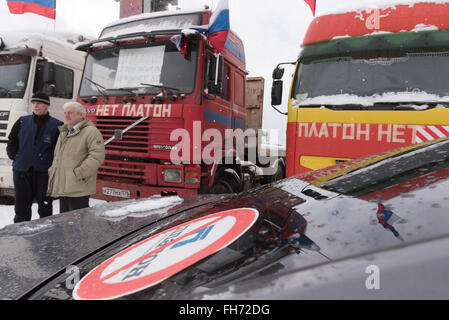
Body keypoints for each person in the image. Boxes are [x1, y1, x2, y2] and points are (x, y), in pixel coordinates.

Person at [6, 92, 63, 223]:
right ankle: (21, 234)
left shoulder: (57, 125)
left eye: (39, 103)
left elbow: (60, 150)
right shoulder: (22, 121)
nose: (35, 106)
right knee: (21, 207)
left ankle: (45, 235)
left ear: (47, 105)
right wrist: (15, 156)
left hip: (44, 173)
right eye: (34, 103)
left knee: (45, 207)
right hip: (21, 171)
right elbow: (12, 141)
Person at [47, 101, 105, 213]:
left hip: (78, 187)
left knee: (79, 224)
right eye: (65, 113)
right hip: (64, 187)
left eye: (70, 112)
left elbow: (97, 156)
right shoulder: (64, 132)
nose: (66, 116)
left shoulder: (91, 132)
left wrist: (79, 173)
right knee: (65, 223)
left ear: (81, 115)